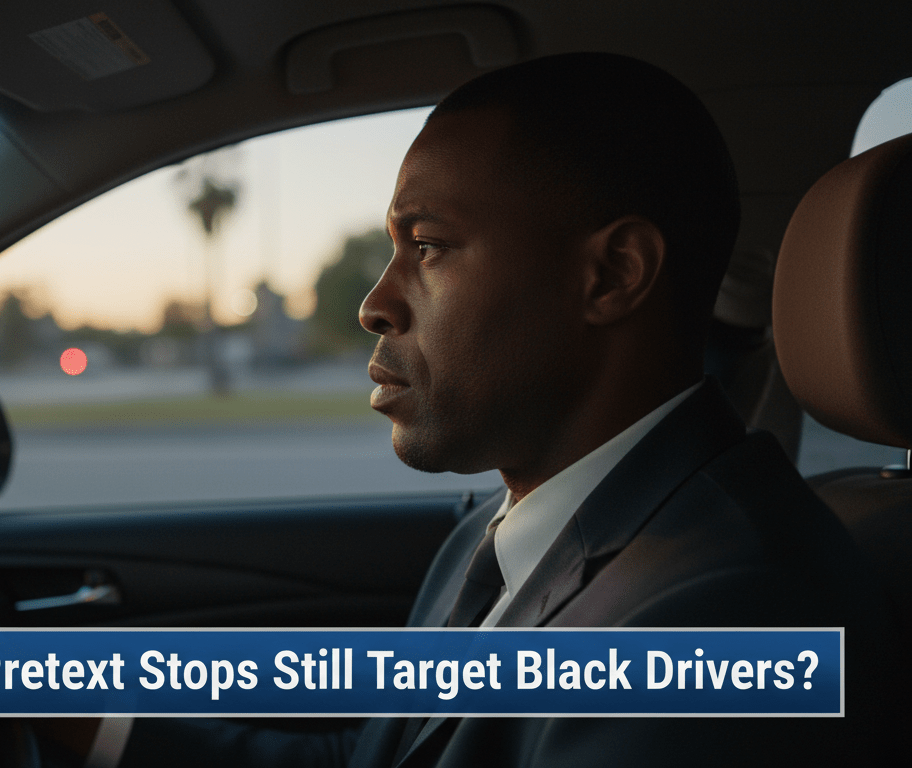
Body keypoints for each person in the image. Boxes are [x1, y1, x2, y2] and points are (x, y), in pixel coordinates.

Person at [86, 51, 901, 768]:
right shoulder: (501, 532)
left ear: (613, 275)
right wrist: (79, 721)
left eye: (428, 246)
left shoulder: (724, 621)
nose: (375, 303)